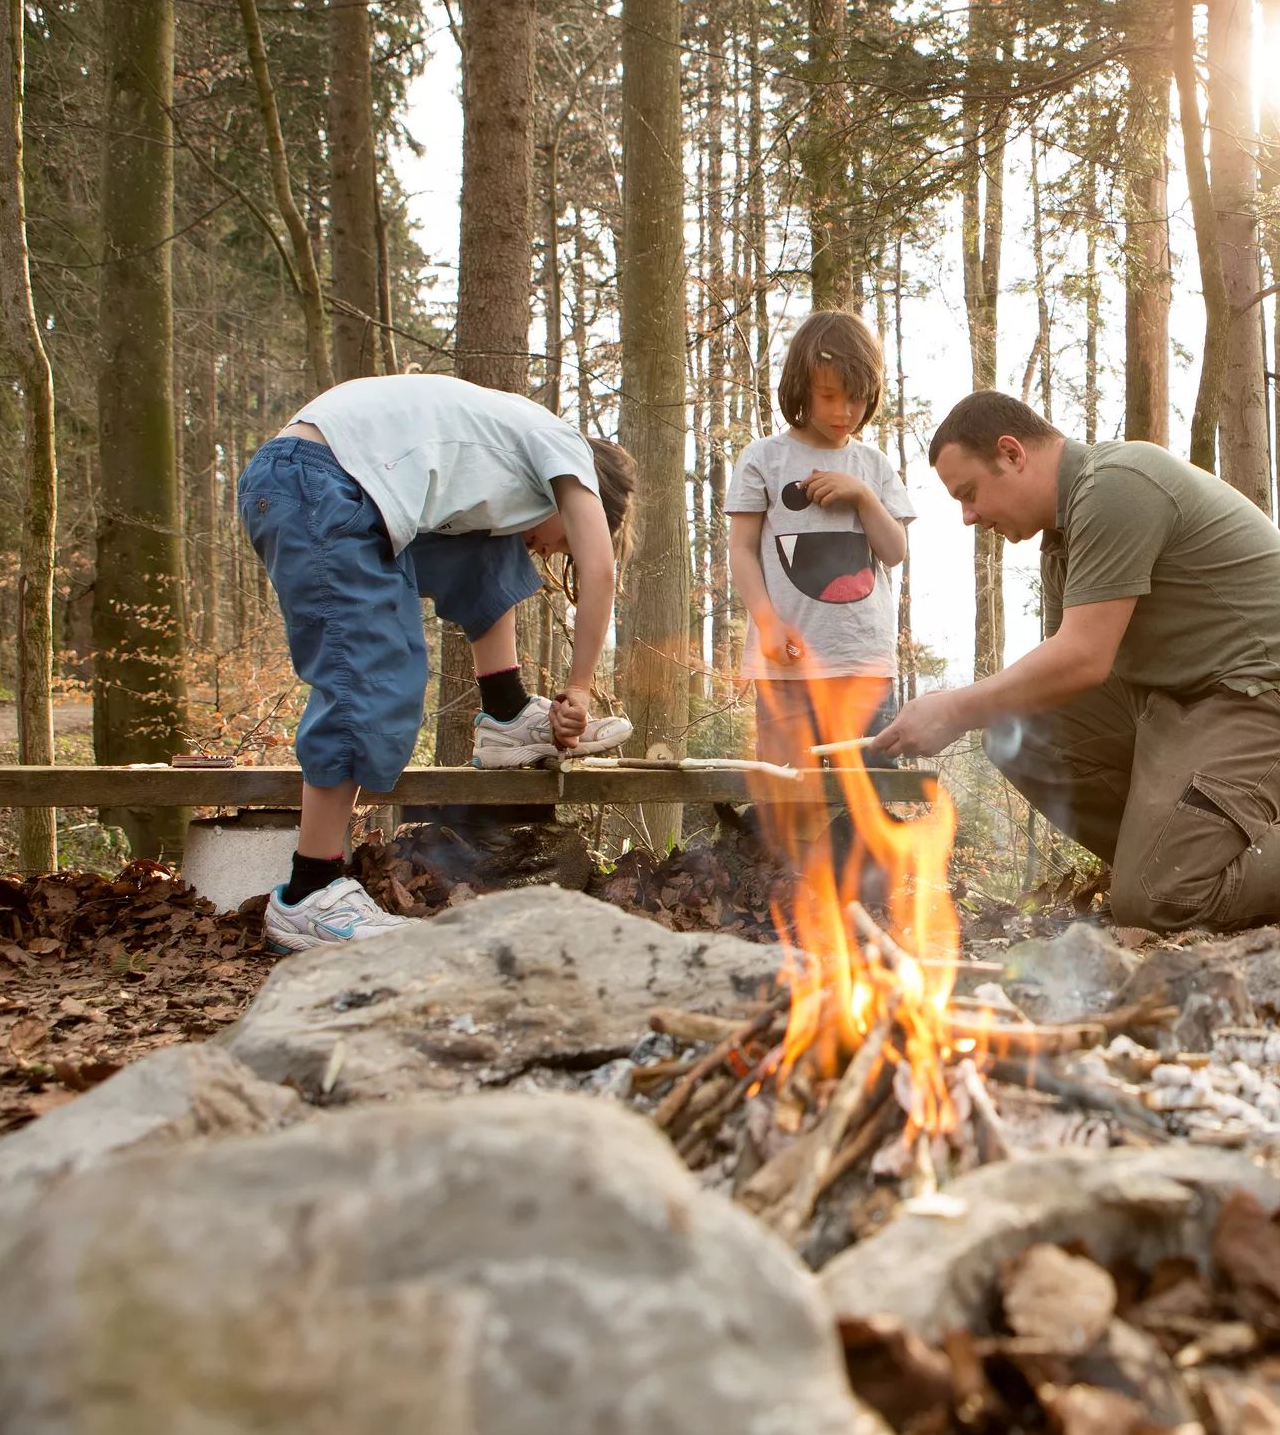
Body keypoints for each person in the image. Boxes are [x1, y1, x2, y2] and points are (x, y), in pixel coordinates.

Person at [871, 392, 1280, 931]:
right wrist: (970, 710)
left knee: (1156, 897)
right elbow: (1057, 676)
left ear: (1011, 454)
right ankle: (1170, 852)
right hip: (1179, 697)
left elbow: (1081, 660)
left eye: (969, 494)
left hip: (1273, 691)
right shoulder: (1063, 536)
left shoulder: (1117, 486)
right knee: (1018, 732)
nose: (968, 517)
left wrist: (953, 709)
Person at [238, 373, 635, 953]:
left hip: (335, 481)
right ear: (584, 501)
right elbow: (601, 572)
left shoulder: (510, 448)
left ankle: (506, 715)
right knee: (373, 676)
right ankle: (310, 892)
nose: (549, 552)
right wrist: (579, 687)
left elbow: (495, 552)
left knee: (494, 551)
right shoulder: (564, 449)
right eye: (561, 542)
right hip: (318, 487)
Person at [726, 311, 916, 764]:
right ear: (801, 387)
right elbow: (741, 550)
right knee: (787, 797)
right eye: (829, 396)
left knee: (868, 796)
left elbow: (894, 552)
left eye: (856, 398)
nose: (843, 412)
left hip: (863, 664)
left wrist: (863, 498)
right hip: (786, 669)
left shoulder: (873, 466)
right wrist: (768, 626)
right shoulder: (764, 459)